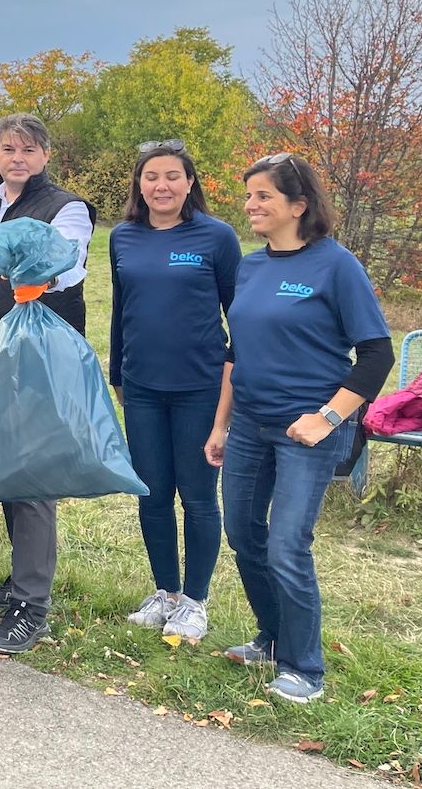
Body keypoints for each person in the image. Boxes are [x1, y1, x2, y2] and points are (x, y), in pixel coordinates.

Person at [214, 153, 392, 704]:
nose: (251, 205)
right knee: (244, 534)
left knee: (288, 544)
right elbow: (235, 351)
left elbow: (377, 356)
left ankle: (305, 666)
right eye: (249, 195)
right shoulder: (250, 266)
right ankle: (272, 638)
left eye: (263, 196)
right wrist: (221, 424)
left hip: (308, 432)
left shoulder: (336, 265)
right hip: (247, 425)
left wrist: (328, 417)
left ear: (299, 205)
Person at [0, 113, 94, 655]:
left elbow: (70, 265)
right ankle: (20, 580)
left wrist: (35, 271)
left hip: (43, 357)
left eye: (29, 150)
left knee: (31, 477)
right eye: (9, 148)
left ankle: (31, 609)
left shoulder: (68, 208)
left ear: (46, 155)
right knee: (9, 468)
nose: (18, 158)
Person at [108, 140, 241, 642]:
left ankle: (195, 601)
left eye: (172, 177)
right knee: (152, 494)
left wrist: (231, 392)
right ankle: (165, 592)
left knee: (199, 498)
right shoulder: (123, 237)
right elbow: (120, 310)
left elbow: (240, 316)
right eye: (151, 177)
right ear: (139, 186)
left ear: (190, 183)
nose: (160, 186)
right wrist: (119, 373)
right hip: (141, 386)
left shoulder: (217, 237)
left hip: (200, 389)